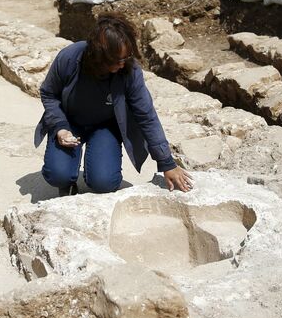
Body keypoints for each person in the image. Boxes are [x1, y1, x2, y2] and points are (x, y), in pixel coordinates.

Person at [34, 12, 194, 196]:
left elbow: (146, 115)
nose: (122, 64)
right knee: (57, 174)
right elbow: (48, 93)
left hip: (105, 126)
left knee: (104, 183)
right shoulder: (70, 58)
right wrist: (60, 127)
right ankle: (68, 180)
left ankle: (95, 167)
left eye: (126, 58)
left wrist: (166, 162)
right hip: (70, 122)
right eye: (116, 60)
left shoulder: (129, 71)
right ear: (98, 56)